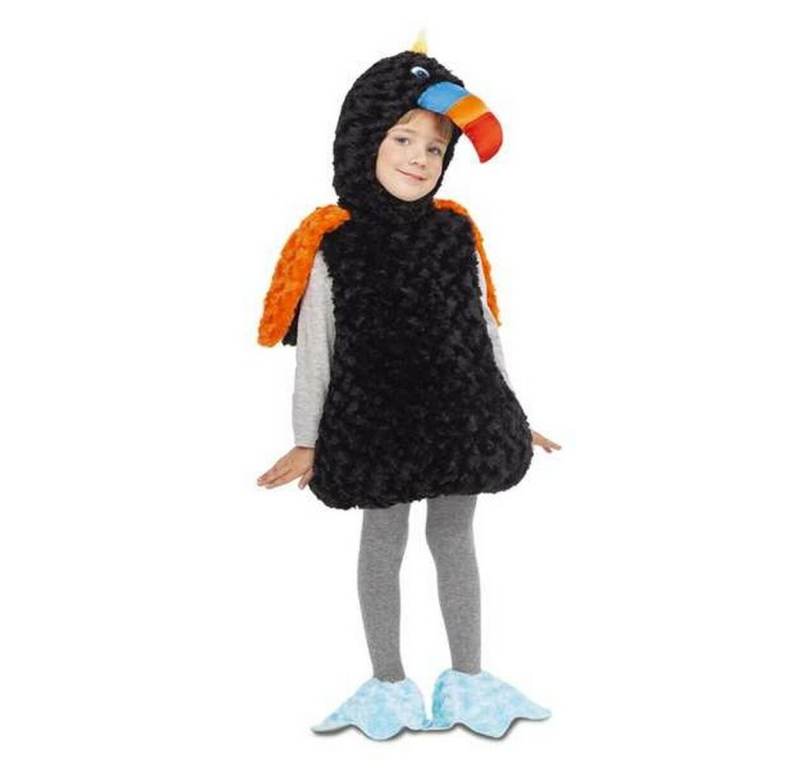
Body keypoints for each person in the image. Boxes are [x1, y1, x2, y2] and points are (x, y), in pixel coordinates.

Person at [256, 36, 562, 739]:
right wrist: (306, 439)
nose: (419, 159)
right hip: (378, 422)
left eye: (435, 148)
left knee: (455, 537)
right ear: (364, 138)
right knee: (383, 540)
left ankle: (469, 681)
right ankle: (389, 687)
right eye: (403, 138)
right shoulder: (335, 241)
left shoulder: (456, 233)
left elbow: (483, 327)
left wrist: (511, 413)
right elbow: (317, 348)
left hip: (462, 416)